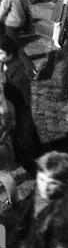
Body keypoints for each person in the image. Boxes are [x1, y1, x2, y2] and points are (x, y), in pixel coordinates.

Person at [18, 151, 68, 248]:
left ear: (64, 183)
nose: (44, 188)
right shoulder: (41, 189)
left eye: (53, 183)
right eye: (41, 179)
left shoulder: (66, 217)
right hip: (33, 237)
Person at [0, 36, 41, 177]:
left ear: (9, 54)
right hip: (14, 106)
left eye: (0, 53)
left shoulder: (19, 75)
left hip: (18, 110)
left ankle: (33, 170)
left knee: (19, 142)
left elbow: (24, 100)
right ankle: (37, 148)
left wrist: (15, 119)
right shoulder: (7, 62)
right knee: (29, 130)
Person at [0, 79, 18, 207]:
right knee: (5, 173)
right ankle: (14, 200)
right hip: (5, 144)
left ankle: (14, 201)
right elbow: (12, 125)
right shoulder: (9, 106)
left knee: (4, 175)